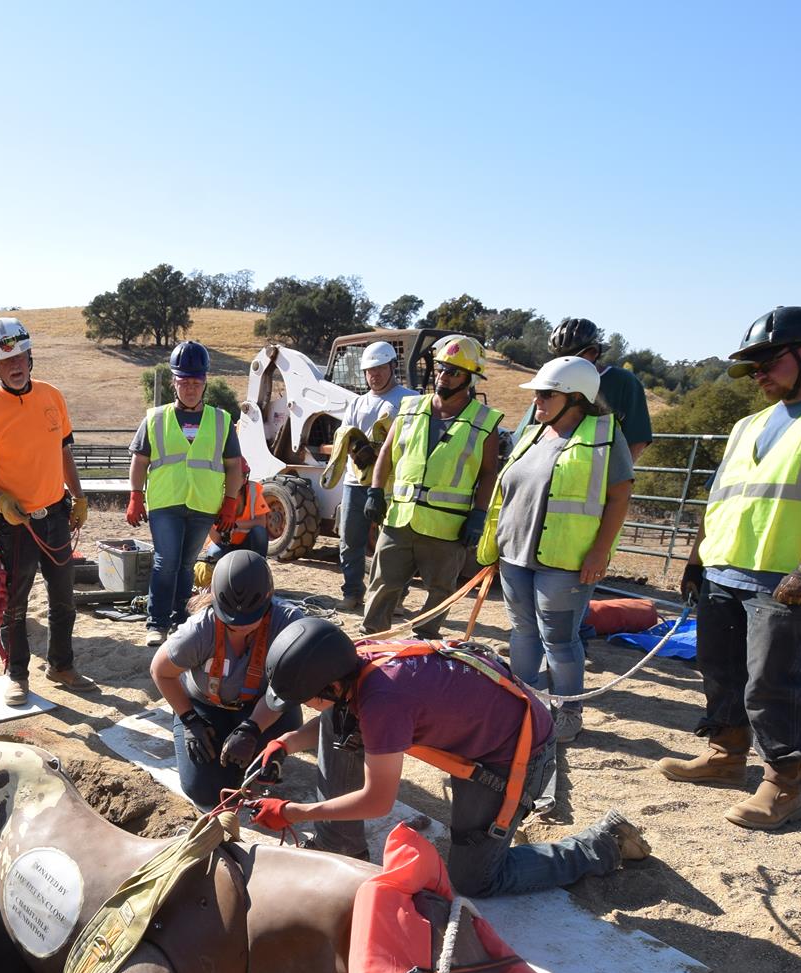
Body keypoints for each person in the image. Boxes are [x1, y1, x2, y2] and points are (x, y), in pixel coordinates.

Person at [657, 307, 801, 829]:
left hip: (785, 577)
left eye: (766, 360)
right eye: (751, 366)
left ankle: (782, 784)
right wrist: (698, 558)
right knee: (719, 669)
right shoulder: (749, 424)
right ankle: (725, 754)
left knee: (772, 681)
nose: (757, 373)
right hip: (724, 567)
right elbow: (722, 499)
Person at [223, 618, 648, 893]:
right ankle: (344, 850)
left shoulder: (382, 700)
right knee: (342, 727)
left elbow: (378, 801)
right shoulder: (358, 663)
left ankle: (603, 844)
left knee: (477, 880)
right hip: (492, 728)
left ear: (331, 685)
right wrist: (286, 743)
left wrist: (294, 812)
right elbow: (339, 715)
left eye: (308, 698)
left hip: (514, 760)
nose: (309, 705)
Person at [475, 355, 635, 738]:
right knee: (522, 632)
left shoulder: (604, 436)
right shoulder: (532, 432)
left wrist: (600, 552)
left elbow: (618, 497)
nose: (537, 401)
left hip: (565, 561)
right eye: (537, 395)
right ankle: (525, 704)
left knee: (559, 639)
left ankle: (567, 712)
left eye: (547, 395)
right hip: (516, 553)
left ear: (576, 397)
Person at [0, 317, 95, 706]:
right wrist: (0, 500)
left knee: (63, 598)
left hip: (56, 515)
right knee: (14, 605)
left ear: (30, 356)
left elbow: (65, 451)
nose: (15, 365)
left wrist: (80, 496)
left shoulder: (52, 397)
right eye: (6, 361)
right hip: (13, 524)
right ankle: (16, 674)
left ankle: (61, 665)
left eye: (20, 356)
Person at [362, 336, 503, 636]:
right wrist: (375, 490)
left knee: (440, 592)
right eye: (441, 369)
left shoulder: (485, 421)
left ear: (470, 379)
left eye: (453, 372)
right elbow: (386, 452)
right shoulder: (411, 407)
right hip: (400, 520)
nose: (443, 376)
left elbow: (490, 472)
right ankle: (370, 642)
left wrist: (479, 515)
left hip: (447, 528)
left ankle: (424, 647)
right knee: (382, 585)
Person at [148, 549, 305, 808]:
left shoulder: (288, 624)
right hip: (205, 706)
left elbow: (288, 687)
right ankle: (220, 739)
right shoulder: (200, 630)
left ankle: (257, 746)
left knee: (260, 764)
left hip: (263, 704)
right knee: (206, 791)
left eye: (251, 620)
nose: (242, 627)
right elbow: (160, 670)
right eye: (232, 621)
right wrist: (190, 721)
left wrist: (251, 729)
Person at [126, 341, 246, 646]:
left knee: (186, 564)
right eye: (184, 382)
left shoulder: (222, 421)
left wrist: (230, 502)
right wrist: (135, 495)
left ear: (205, 382)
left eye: (196, 382)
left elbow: (233, 466)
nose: (190, 388)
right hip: (166, 502)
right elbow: (139, 460)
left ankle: (180, 618)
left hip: (204, 504)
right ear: (173, 382)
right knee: (166, 561)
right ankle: (157, 623)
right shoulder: (154, 418)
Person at [336, 339, 417, 610]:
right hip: (354, 482)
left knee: (394, 546)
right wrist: (356, 449)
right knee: (350, 541)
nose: (375, 375)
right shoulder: (356, 404)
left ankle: (393, 599)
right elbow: (344, 437)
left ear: (392, 366)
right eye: (370, 371)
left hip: (392, 485)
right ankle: (353, 592)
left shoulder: (409, 399)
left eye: (380, 368)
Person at [540, 318, 653, 460]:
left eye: (573, 357)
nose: (565, 364)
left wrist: (617, 477)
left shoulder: (623, 382)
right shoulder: (550, 381)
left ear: (594, 353)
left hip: (599, 473)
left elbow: (637, 439)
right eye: (560, 358)